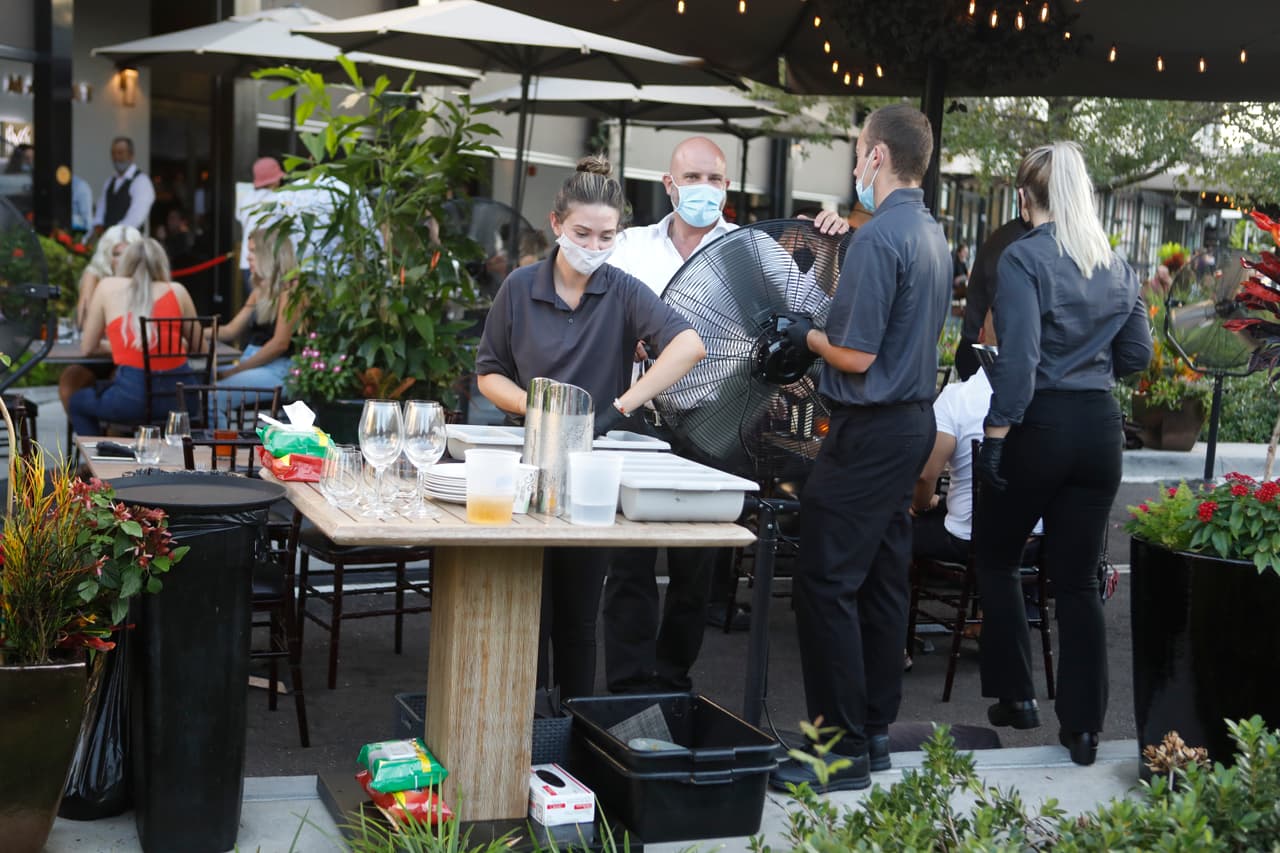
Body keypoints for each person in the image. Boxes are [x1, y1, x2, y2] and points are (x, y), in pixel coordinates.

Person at [603, 136, 848, 691]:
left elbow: (813, 313)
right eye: (692, 179)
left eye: (715, 180)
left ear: (728, 187)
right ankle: (624, 684)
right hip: (640, 416)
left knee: (699, 562)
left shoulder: (750, 248)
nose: (704, 190)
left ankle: (671, 676)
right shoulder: (630, 247)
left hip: (718, 417)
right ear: (668, 185)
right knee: (629, 564)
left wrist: (826, 240)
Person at [475, 154, 707, 701]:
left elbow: (689, 345)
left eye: (607, 237)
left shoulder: (622, 290)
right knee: (526, 612)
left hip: (591, 473)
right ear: (556, 225)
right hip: (527, 466)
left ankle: (572, 738)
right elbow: (489, 374)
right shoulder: (518, 287)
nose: (594, 247)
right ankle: (522, 730)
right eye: (583, 233)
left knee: (580, 618)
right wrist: (543, 411)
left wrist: (623, 406)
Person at [769, 104, 950, 793]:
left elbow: (853, 351)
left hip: (870, 429)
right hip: (910, 425)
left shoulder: (880, 239)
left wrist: (804, 335)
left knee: (823, 581)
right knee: (879, 577)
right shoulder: (930, 234)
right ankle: (872, 732)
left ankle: (836, 748)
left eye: (855, 153)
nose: (853, 166)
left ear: (876, 156)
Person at [974, 142, 1152, 767]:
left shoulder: (1024, 258)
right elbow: (1137, 357)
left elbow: (1017, 361)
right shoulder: (1118, 265)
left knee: (995, 556)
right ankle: (1083, 730)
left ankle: (1017, 697)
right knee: (1076, 582)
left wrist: (996, 434)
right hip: (1100, 428)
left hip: (1042, 423)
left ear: (1026, 197)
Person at [68, 238, 201, 437]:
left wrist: (124, 345)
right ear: (162, 263)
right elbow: (200, 347)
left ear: (125, 263)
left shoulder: (107, 287)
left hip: (133, 399)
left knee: (77, 402)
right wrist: (168, 344)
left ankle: (98, 458)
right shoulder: (178, 290)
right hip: (183, 400)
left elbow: (88, 348)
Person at [60, 225, 145, 418]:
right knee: (68, 384)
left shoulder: (145, 282)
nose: (122, 260)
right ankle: (86, 440)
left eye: (128, 254)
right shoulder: (97, 277)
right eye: (116, 254)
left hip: (128, 358)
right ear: (107, 256)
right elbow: (84, 323)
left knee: (119, 384)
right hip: (100, 354)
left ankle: (112, 440)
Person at [214, 228, 298, 395]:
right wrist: (191, 330)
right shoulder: (260, 289)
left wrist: (236, 370)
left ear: (269, 254)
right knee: (200, 384)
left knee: (212, 398)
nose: (247, 257)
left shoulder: (290, 291)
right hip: (255, 361)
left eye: (253, 251)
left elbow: (279, 344)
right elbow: (231, 330)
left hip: (279, 367)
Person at [953, 218, 1028, 381]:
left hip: (984, 349)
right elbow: (999, 310)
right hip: (985, 354)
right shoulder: (1015, 243)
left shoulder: (1012, 239)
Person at [238, 157, 284, 294]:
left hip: (246, 262)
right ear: (276, 179)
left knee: (253, 306)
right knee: (267, 309)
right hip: (267, 263)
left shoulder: (246, 199)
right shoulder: (279, 199)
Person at [94, 136, 155, 231]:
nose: (116, 157)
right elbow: (100, 212)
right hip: (108, 240)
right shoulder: (110, 181)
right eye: (113, 153)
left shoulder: (141, 181)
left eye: (120, 153)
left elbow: (135, 219)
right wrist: (97, 227)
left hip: (130, 242)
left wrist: (113, 233)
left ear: (131, 155)